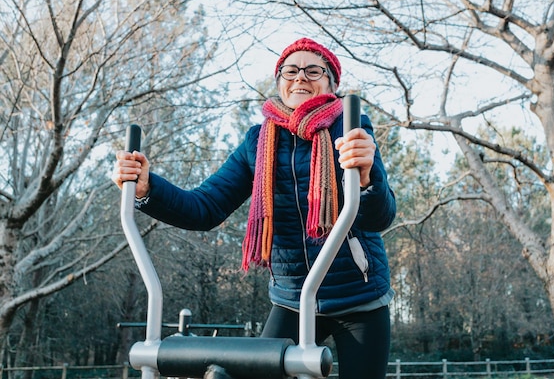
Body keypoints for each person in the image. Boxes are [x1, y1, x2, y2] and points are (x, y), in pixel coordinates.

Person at [112, 37, 396, 379]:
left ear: (332, 84)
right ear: (279, 83)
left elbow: (379, 216)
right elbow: (205, 208)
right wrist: (147, 188)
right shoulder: (258, 142)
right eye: (290, 70)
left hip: (359, 298)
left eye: (313, 70)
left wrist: (367, 177)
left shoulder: (350, 130)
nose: (300, 77)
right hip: (292, 298)